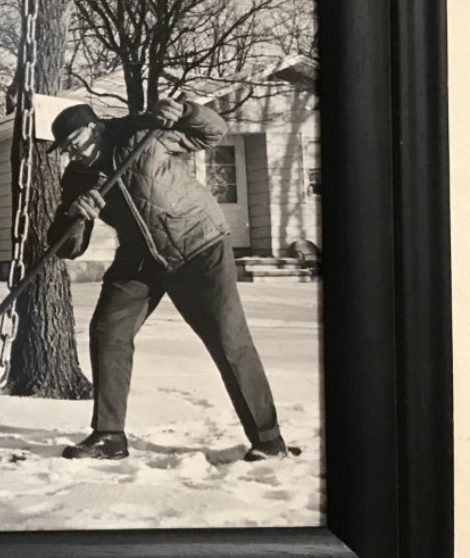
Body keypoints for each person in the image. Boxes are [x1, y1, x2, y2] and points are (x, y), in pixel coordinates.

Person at [44, 99, 293, 462]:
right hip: (140, 259)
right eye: (64, 149)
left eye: (74, 142)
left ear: (94, 128)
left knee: (228, 338)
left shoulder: (141, 133)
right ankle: (109, 436)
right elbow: (69, 248)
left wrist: (187, 112)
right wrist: (74, 215)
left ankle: (269, 440)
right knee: (108, 330)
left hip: (198, 243)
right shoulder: (78, 177)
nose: (71, 153)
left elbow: (213, 132)